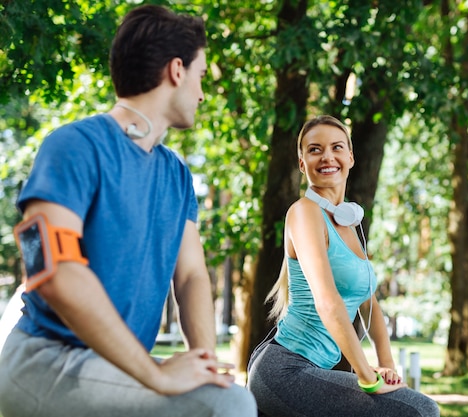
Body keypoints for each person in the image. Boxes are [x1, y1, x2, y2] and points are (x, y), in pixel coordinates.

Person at [0, 5, 256, 417]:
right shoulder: (73, 145)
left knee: (216, 391)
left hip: (115, 368)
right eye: (201, 76)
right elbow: (52, 269)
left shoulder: (176, 175)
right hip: (46, 359)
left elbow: (190, 275)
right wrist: (156, 376)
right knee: (228, 405)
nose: (203, 93)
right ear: (177, 70)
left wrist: (203, 363)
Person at [247, 115, 439, 417]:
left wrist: (387, 368)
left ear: (350, 157)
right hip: (283, 370)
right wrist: (366, 375)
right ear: (302, 163)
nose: (327, 156)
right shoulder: (304, 213)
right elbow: (328, 301)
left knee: (407, 402)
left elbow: (368, 303)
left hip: (312, 371)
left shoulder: (348, 223)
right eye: (315, 149)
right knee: (419, 410)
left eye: (337, 147)